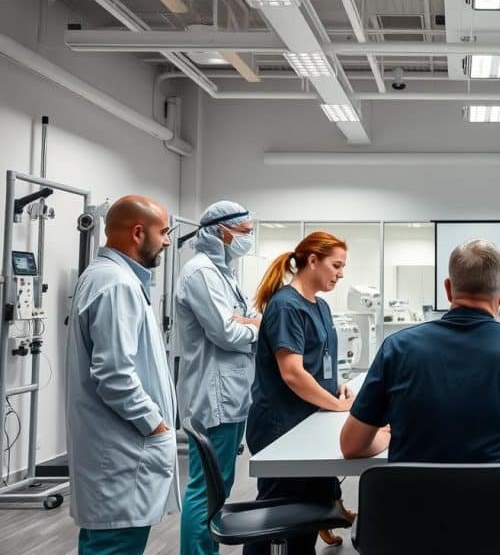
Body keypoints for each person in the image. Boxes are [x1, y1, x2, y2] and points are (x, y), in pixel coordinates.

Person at [340, 239, 500, 464]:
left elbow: (351, 446)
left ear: (447, 289)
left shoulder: (397, 349)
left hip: (414, 520)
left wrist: (386, 436)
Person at [65, 195, 176, 555]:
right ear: (138, 233)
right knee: (114, 545)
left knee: (104, 543)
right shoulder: (116, 285)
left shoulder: (108, 278)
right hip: (123, 456)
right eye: (164, 232)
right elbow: (114, 375)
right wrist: (156, 425)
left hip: (116, 456)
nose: (168, 241)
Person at [244, 231, 357, 555]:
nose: (341, 273)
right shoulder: (286, 307)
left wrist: (336, 385)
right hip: (281, 427)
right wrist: (336, 405)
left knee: (309, 512)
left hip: (307, 422)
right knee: (277, 515)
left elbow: (317, 359)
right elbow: (292, 373)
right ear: (312, 261)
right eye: (336, 265)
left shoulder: (319, 306)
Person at [175, 201, 261, 555]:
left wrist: (249, 323)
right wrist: (253, 327)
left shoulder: (224, 272)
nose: (247, 239)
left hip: (231, 393)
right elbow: (227, 332)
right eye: (244, 233)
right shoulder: (201, 273)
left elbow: (250, 315)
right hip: (215, 394)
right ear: (222, 232)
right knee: (206, 487)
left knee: (219, 484)